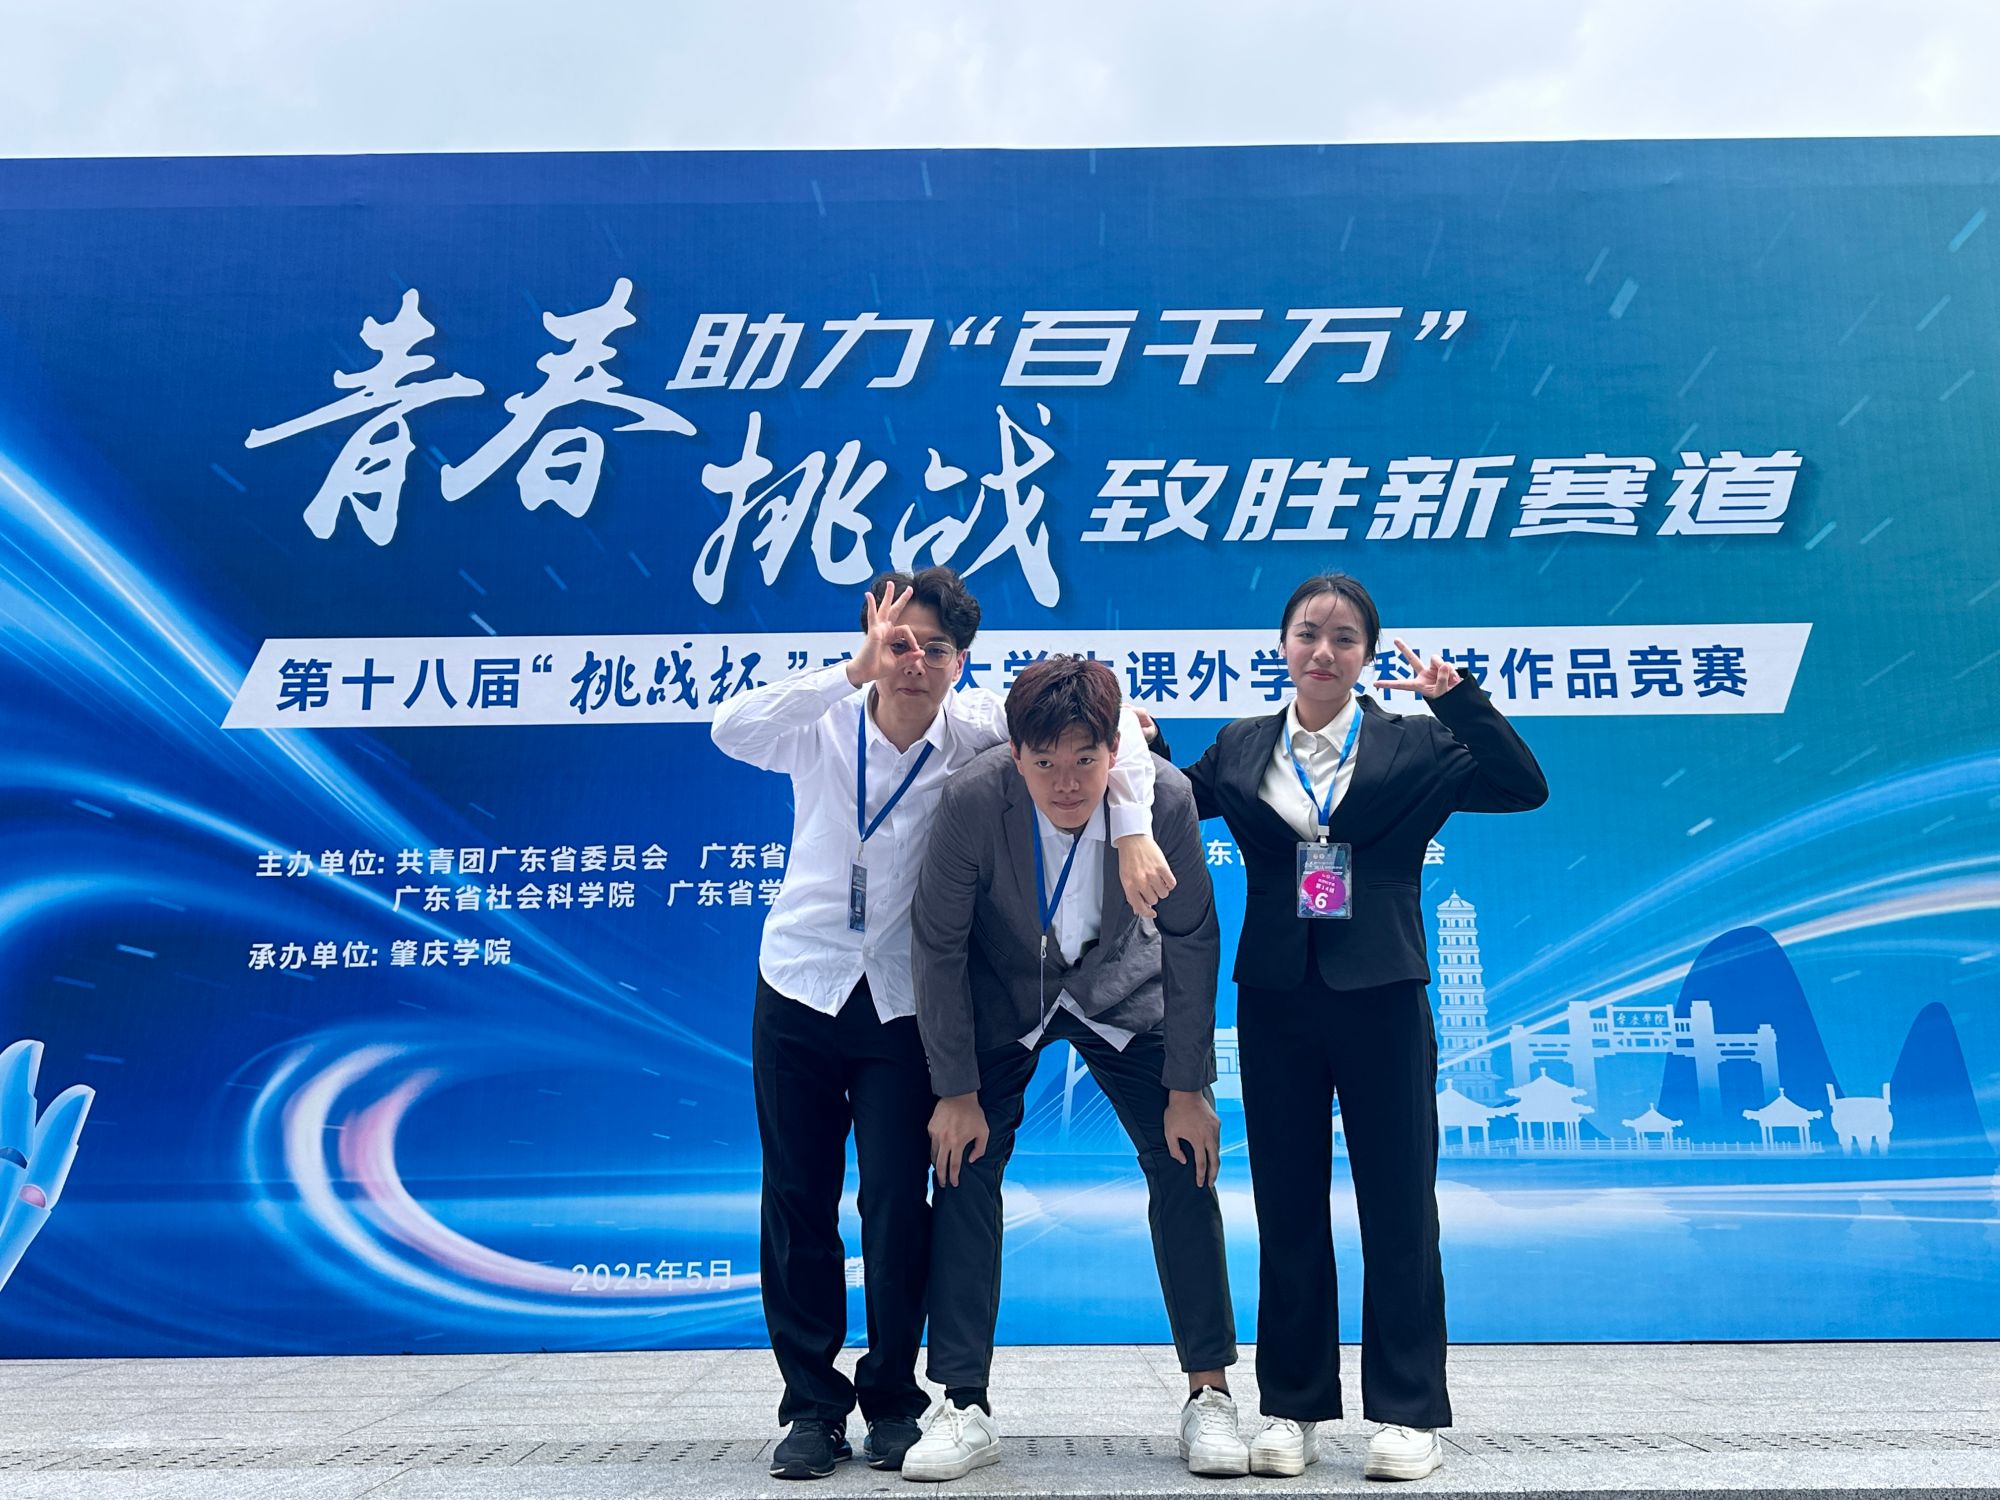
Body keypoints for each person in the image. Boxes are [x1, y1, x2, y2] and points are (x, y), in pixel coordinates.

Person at [710, 569, 1174, 1481]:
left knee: (897, 1201)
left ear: (962, 661)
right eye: (899, 643)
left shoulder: (977, 733)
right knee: (797, 1199)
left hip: (904, 1003)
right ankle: (811, 1407)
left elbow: (1113, 735)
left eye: (936, 648)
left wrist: (1130, 829)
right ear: (871, 640)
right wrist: (850, 672)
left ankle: (892, 1400)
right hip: (800, 985)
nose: (914, 661)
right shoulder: (820, 723)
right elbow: (731, 728)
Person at [1154, 573, 1546, 1482]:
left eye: (1342, 638)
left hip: (1383, 991)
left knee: (1399, 1204)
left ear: (1367, 654)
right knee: (1287, 1205)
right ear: (1282, 645)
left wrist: (1461, 700)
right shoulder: (1244, 743)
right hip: (1277, 995)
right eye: (1307, 633)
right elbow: (1177, 798)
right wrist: (1147, 742)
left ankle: (1409, 1413)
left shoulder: (1418, 741)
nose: (1322, 652)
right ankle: (1292, 1408)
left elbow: (1522, 786)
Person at [902, 656, 1243, 1484]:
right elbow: (938, 944)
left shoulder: (1164, 799)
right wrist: (954, 1092)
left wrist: (1188, 1086)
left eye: (1086, 760)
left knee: (1186, 1157)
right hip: (1007, 996)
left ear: (1112, 753)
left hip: (1123, 991)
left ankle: (1210, 1394)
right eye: (1045, 761)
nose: (1066, 782)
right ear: (1014, 753)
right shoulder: (973, 797)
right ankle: (963, 1401)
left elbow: (1192, 938)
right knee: (962, 1159)